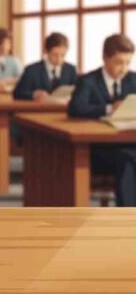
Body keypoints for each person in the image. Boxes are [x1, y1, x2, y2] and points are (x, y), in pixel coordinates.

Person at [68, 34, 136, 206]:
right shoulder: (88, 81)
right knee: (127, 159)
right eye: (119, 62)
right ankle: (128, 217)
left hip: (129, 140)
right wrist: (109, 108)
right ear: (105, 58)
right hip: (99, 148)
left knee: (129, 156)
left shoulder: (134, 79)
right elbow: (75, 108)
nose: (124, 68)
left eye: (128, 63)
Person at [13, 32, 77, 101]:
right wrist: (34, 94)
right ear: (46, 51)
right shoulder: (31, 70)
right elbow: (18, 93)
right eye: (55, 55)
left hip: (63, 110)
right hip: (38, 110)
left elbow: (78, 93)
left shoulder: (71, 69)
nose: (59, 59)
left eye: (63, 55)